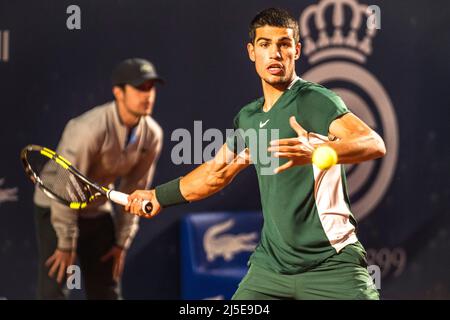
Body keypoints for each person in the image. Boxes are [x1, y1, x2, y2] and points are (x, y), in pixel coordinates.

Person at [126, 8, 386, 300]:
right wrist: (158, 196)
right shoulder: (248, 118)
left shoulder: (314, 100)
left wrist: (319, 150)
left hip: (332, 264)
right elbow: (216, 173)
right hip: (270, 269)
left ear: (296, 51)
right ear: (252, 52)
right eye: (264, 44)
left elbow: (372, 142)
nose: (274, 53)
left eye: (284, 44)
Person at [33, 58, 164, 299]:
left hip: (96, 206)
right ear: (118, 92)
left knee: (107, 290)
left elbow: (136, 189)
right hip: (56, 204)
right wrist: (65, 241)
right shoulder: (87, 130)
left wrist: (122, 242)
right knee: (54, 291)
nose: (148, 96)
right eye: (139, 88)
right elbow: (65, 185)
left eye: (151, 88)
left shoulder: (152, 135)